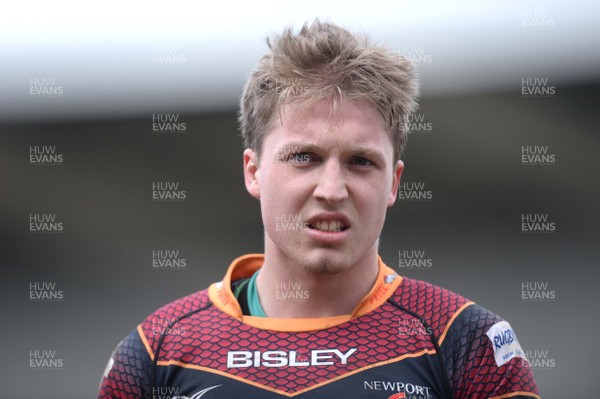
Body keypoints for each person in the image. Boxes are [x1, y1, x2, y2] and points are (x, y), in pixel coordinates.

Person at [98, 20, 539, 399]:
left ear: (394, 183)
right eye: (304, 157)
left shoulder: (463, 342)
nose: (332, 189)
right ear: (253, 172)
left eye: (360, 161)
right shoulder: (157, 351)